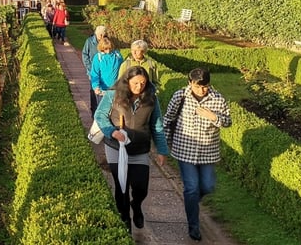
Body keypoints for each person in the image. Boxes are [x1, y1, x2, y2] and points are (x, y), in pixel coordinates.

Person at [94, 66, 168, 233]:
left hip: (140, 149)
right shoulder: (113, 95)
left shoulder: (151, 99)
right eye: (135, 83)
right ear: (127, 81)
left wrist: (162, 151)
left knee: (141, 187)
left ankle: (137, 204)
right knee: (121, 186)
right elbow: (100, 115)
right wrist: (111, 131)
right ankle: (125, 217)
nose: (139, 86)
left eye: (143, 83)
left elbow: (157, 125)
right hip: (116, 148)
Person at [163, 68, 231, 242]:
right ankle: (193, 226)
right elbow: (168, 119)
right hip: (185, 151)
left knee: (207, 186)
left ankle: (191, 201)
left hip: (208, 152)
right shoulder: (180, 96)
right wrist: (165, 146)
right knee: (192, 187)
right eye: (198, 86)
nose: (202, 90)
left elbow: (228, 122)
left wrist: (213, 116)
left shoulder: (218, 99)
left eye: (205, 86)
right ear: (190, 83)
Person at [89, 36, 123, 114]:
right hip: (102, 90)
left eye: (109, 48)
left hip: (115, 89)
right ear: (101, 48)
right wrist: (96, 87)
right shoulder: (98, 58)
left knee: (115, 111)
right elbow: (95, 73)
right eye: (106, 49)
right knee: (103, 111)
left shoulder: (117, 55)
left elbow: (123, 69)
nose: (108, 51)